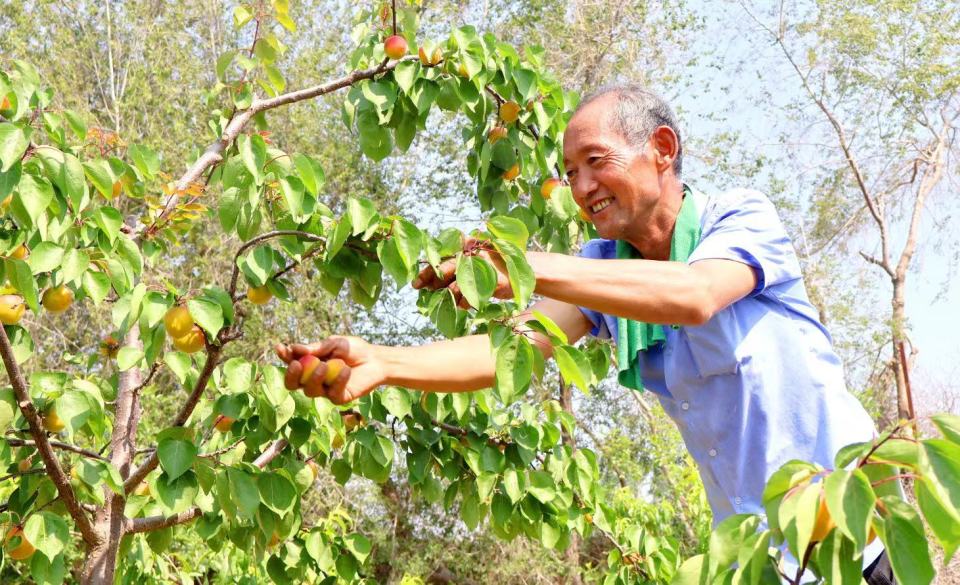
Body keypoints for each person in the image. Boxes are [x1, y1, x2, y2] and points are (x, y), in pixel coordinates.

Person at [276, 85, 892, 583]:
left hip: (850, 535)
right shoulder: (602, 266)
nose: (581, 188)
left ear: (662, 148)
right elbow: (506, 352)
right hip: (755, 561)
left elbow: (695, 295)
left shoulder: (737, 218)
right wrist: (383, 363)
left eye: (596, 162)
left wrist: (521, 266)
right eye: (570, 173)